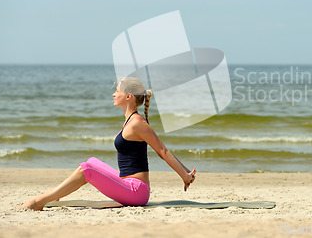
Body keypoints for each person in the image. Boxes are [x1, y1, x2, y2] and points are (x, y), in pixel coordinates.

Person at [17, 77, 196, 211]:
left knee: (87, 169)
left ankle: (38, 202)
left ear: (128, 96)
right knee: (92, 162)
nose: (113, 94)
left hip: (136, 191)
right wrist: (186, 172)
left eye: (117, 91)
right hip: (129, 185)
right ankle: (54, 197)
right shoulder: (130, 121)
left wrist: (184, 175)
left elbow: (163, 151)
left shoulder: (137, 123)